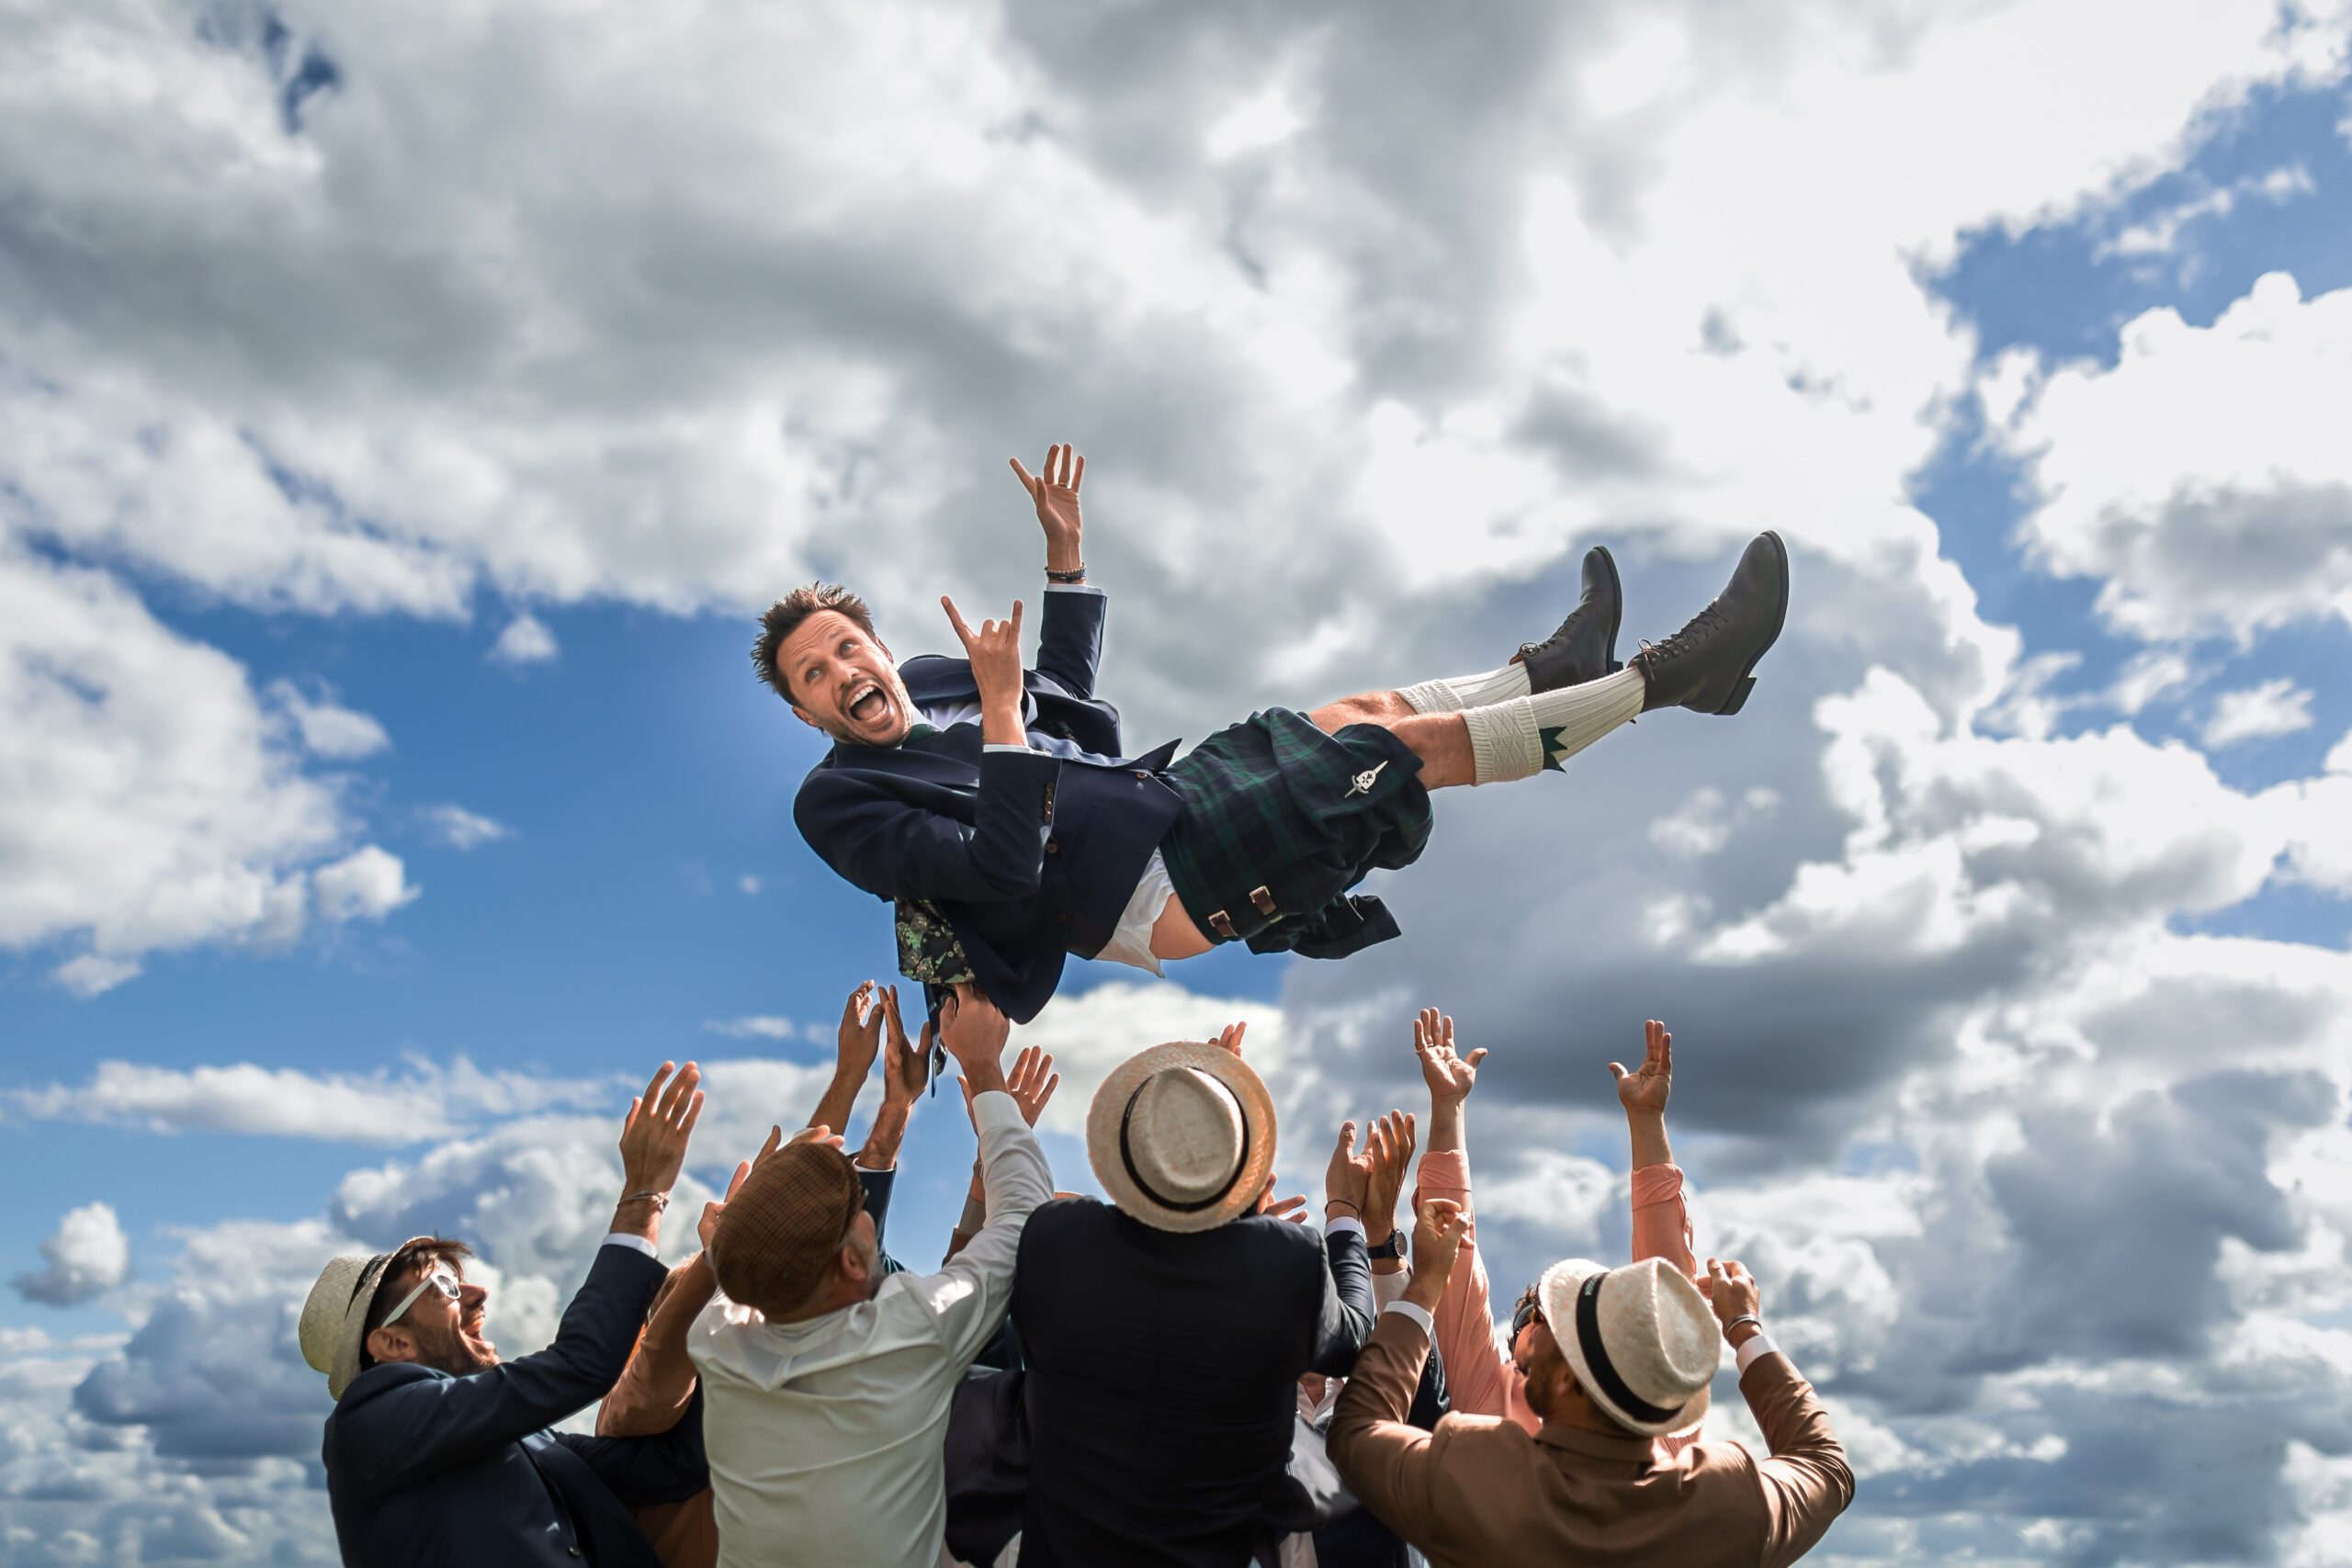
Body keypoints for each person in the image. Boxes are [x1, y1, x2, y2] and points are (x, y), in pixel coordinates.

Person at [762, 443, 1792, 1022]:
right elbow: (997, 869)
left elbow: (1065, 704)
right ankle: (1669, 679)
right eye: (815, 675)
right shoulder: (838, 800)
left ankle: (1545, 674)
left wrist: (1066, 564)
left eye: (847, 647)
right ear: (806, 712)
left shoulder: (941, 677)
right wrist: (997, 716)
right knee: (1400, 759)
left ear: (876, 643)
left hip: (1160, 797)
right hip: (1140, 891)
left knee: (1357, 717)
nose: (844, 672)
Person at [686, 983, 1054, 1568]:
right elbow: (1025, 1218)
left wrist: (873, 1093)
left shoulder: (718, 1341)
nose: (866, 1210)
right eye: (857, 1211)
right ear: (854, 1264)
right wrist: (984, 1067)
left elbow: (776, 1231)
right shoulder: (909, 1333)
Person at [594, 979, 953, 1568]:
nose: (745, 1307)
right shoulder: (635, 1412)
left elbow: (801, 1229)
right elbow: (659, 1372)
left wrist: (868, 1093)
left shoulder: (777, 1377)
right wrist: (716, 1260)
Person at [299, 1062, 711, 1568]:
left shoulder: (519, 1436)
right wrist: (644, 1195)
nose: (478, 1293)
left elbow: (677, 1467)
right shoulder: (371, 1418)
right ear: (392, 1345)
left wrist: (730, 1285)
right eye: (444, 1287)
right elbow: (582, 1363)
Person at [1008, 1024, 1378, 1567]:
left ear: (1127, 1153)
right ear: (1243, 1173)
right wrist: (1344, 1213)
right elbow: (1354, 1341)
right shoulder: (1288, 1264)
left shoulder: (1057, 1240)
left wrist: (1197, 1139)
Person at [1328, 1198, 1853, 1567]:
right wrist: (1744, 1329)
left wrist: (1423, 1288)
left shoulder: (1477, 1474)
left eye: (1556, 1332)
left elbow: (1356, 1432)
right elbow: (1825, 1464)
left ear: (1567, 1386)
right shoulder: (1727, 1503)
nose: (1533, 1340)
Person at [1409, 1009, 1695, 1439]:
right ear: (1514, 1342)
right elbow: (1452, 1251)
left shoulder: (1648, 1410)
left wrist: (1647, 1121)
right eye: (1535, 1313)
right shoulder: (1489, 1394)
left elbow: (1669, 1289)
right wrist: (1447, 1106)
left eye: (1573, 1314)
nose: (1548, 1321)